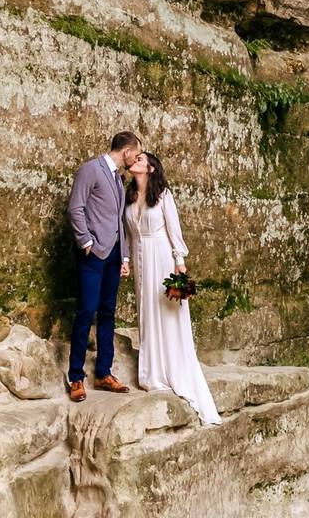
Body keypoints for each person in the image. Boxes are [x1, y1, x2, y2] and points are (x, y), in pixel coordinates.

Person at [125, 152, 222, 425]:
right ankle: (152, 371)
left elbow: (173, 229)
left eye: (141, 159)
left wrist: (179, 261)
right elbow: (128, 233)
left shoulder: (164, 195)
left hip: (162, 255)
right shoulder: (129, 196)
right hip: (141, 257)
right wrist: (127, 260)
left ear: (151, 168)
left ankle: (174, 367)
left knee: (166, 310)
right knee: (146, 309)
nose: (135, 160)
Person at [66, 131, 142, 402]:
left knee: (108, 312)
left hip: (112, 257)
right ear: (127, 151)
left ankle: (103, 373)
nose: (135, 158)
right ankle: (76, 376)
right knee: (87, 310)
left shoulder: (118, 179)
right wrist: (86, 241)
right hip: (93, 254)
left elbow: (120, 220)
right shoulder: (90, 169)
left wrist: (123, 257)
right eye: (136, 153)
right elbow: (76, 207)